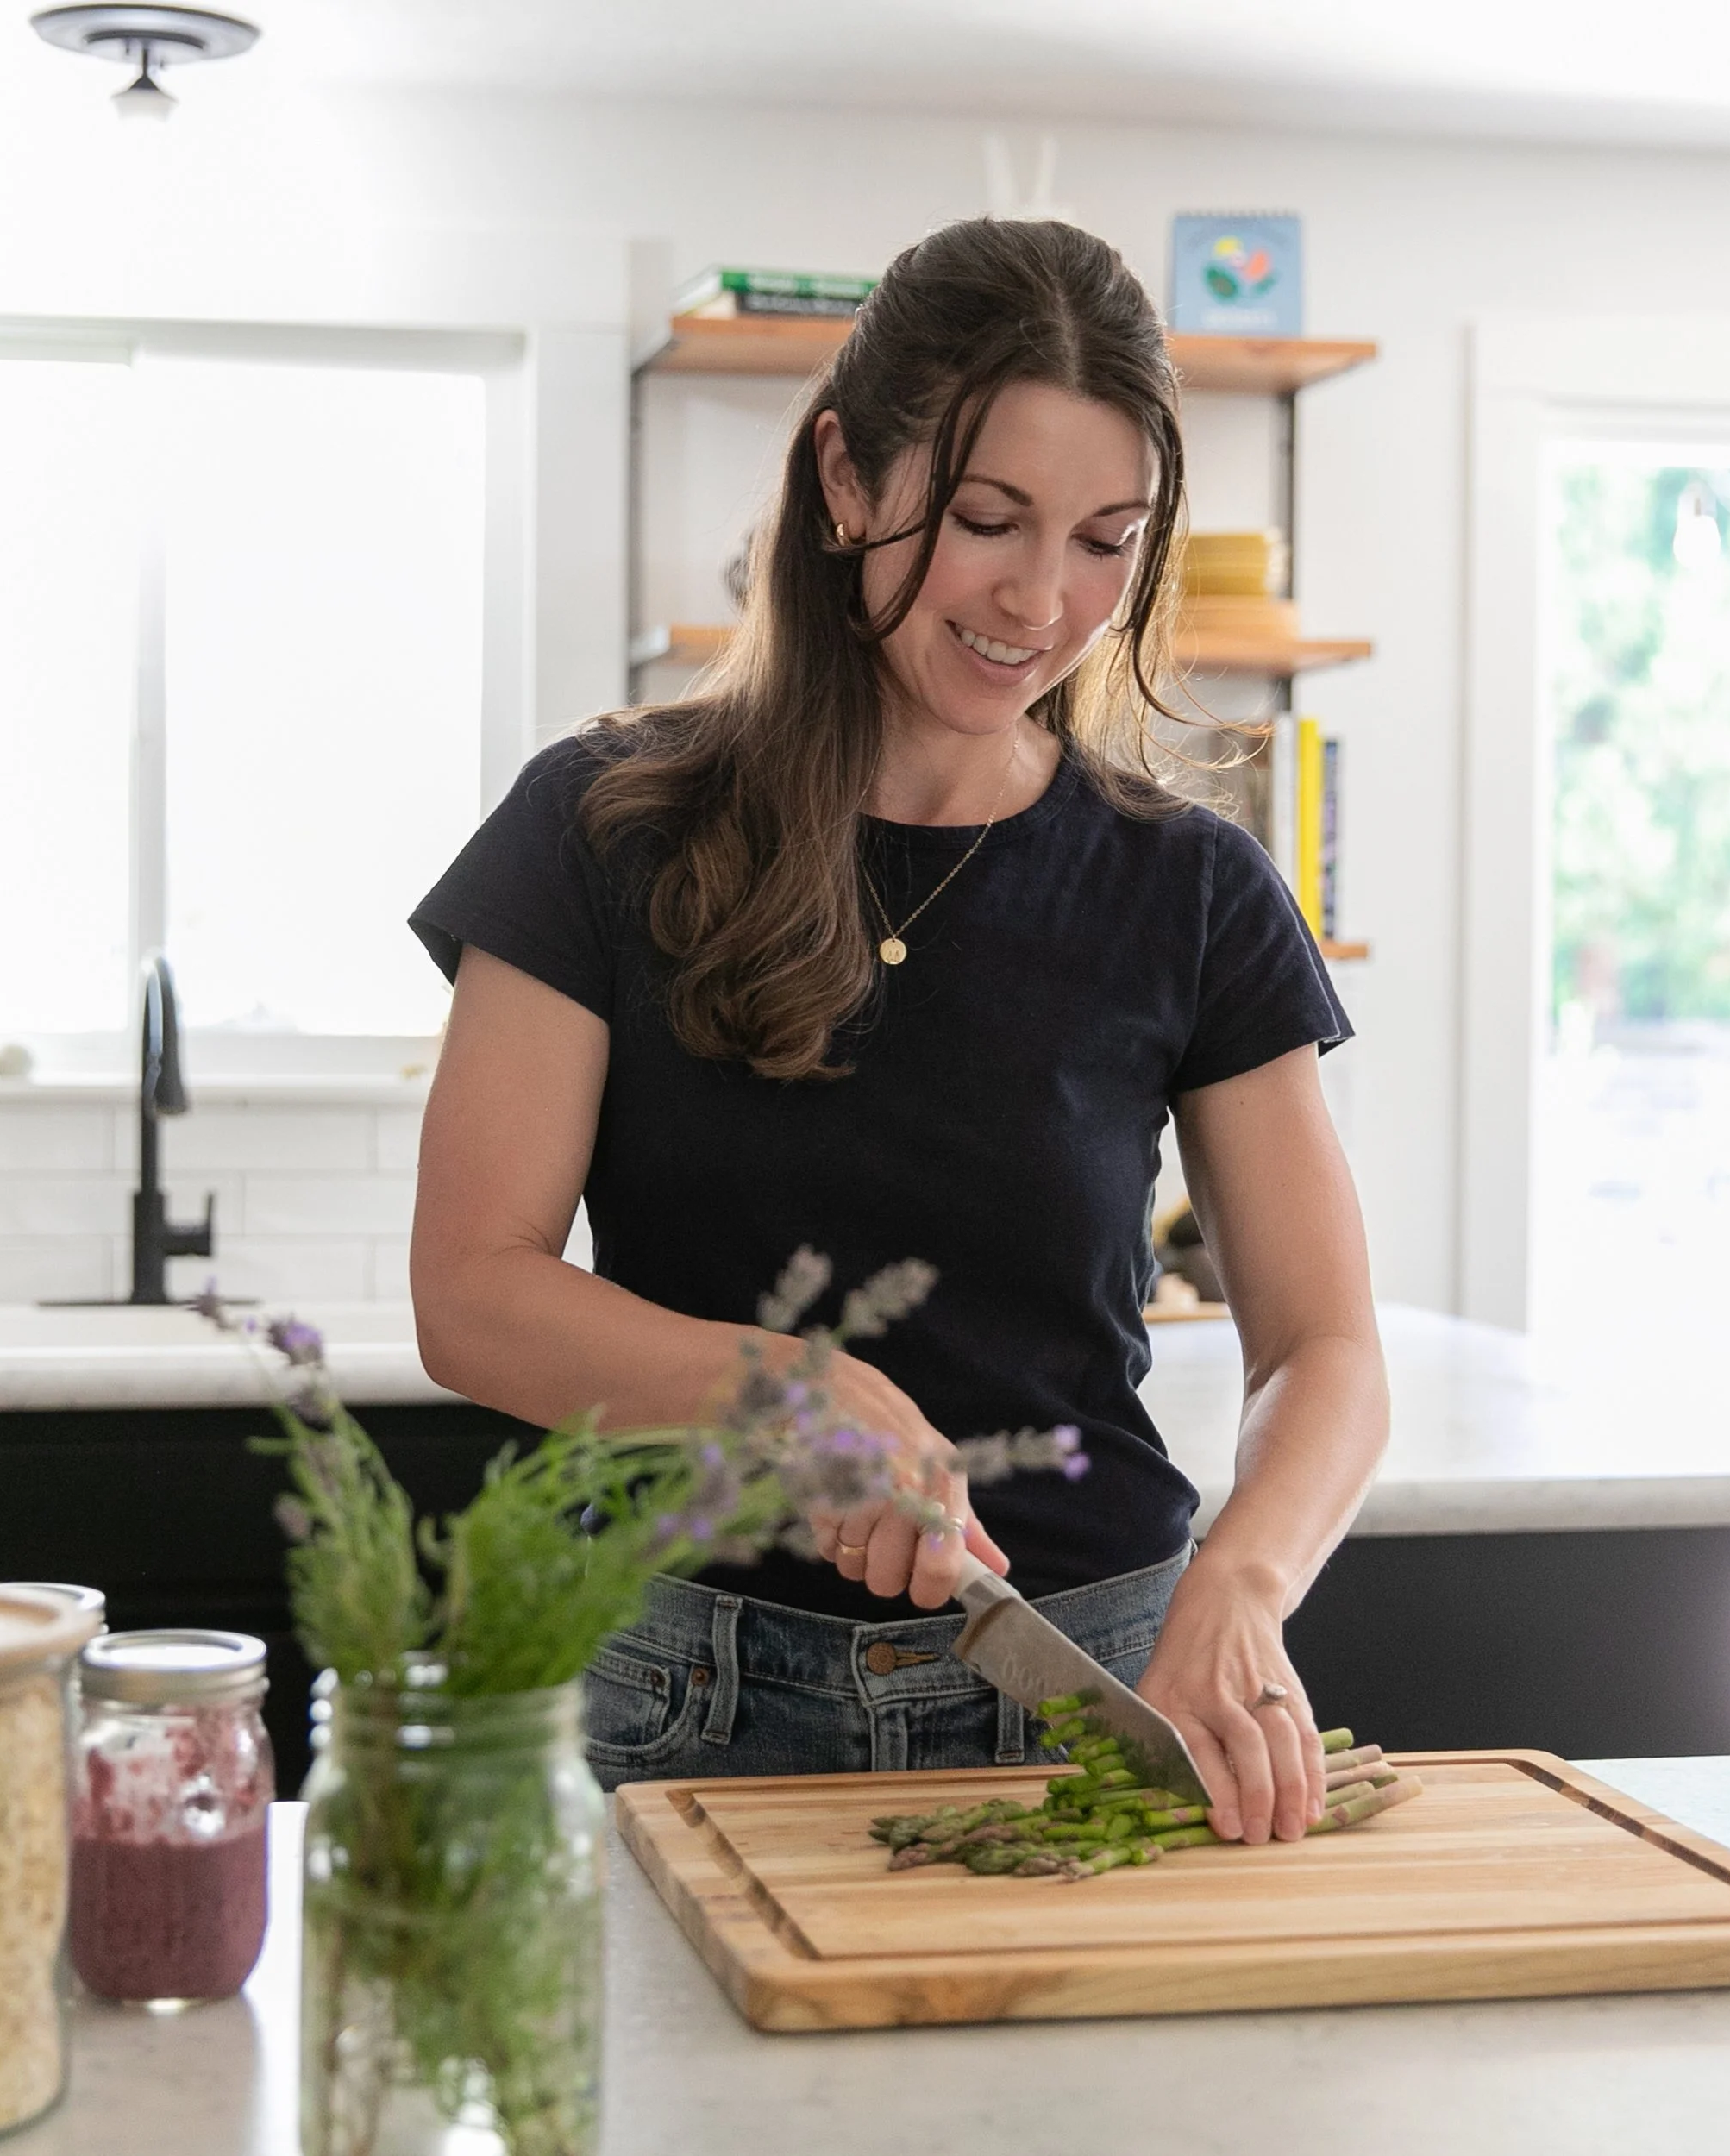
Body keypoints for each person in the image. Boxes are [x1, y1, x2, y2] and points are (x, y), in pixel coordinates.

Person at [407, 216, 1388, 1845]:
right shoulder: (601, 824)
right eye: (990, 520)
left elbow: (1328, 1351)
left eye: (1105, 540)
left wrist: (1246, 1580)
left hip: (1101, 1684)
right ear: (845, 480)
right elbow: (471, 1291)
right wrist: (782, 1391)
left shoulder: (1190, 888)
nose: (1043, 600)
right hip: (685, 1697)